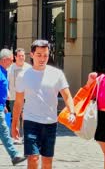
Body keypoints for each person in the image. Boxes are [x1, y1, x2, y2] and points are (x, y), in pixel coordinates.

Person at [11, 40, 75, 169]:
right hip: (30, 122)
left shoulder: (57, 74)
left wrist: (72, 112)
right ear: (32, 55)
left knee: (47, 162)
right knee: (33, 158)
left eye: (45, 55)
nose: (42, 58)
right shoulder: (23, 75)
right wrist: (14, 125)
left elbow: (67, 95)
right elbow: (18, 102)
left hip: (50, 122)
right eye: (39, 55)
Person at [0, 49, 27, 166]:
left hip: (1, 106)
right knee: (5, 132)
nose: (12, 61)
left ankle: (14, 155)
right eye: (11, 60)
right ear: (4, 60)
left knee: (4, 131)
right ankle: (14, 155)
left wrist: (4, 105)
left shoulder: (4, 71)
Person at [7, 48, 31, 144]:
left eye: (23, 56)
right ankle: (16, 137)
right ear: (15, 57)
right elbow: (6, 82)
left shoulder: (29, 68)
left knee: (26, 116)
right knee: (15, 117)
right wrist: (7, 92)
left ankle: (26, 137)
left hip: (26, 96)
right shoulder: (10, 68)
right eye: (20, 56)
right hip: (13, 96)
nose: (21, 57)